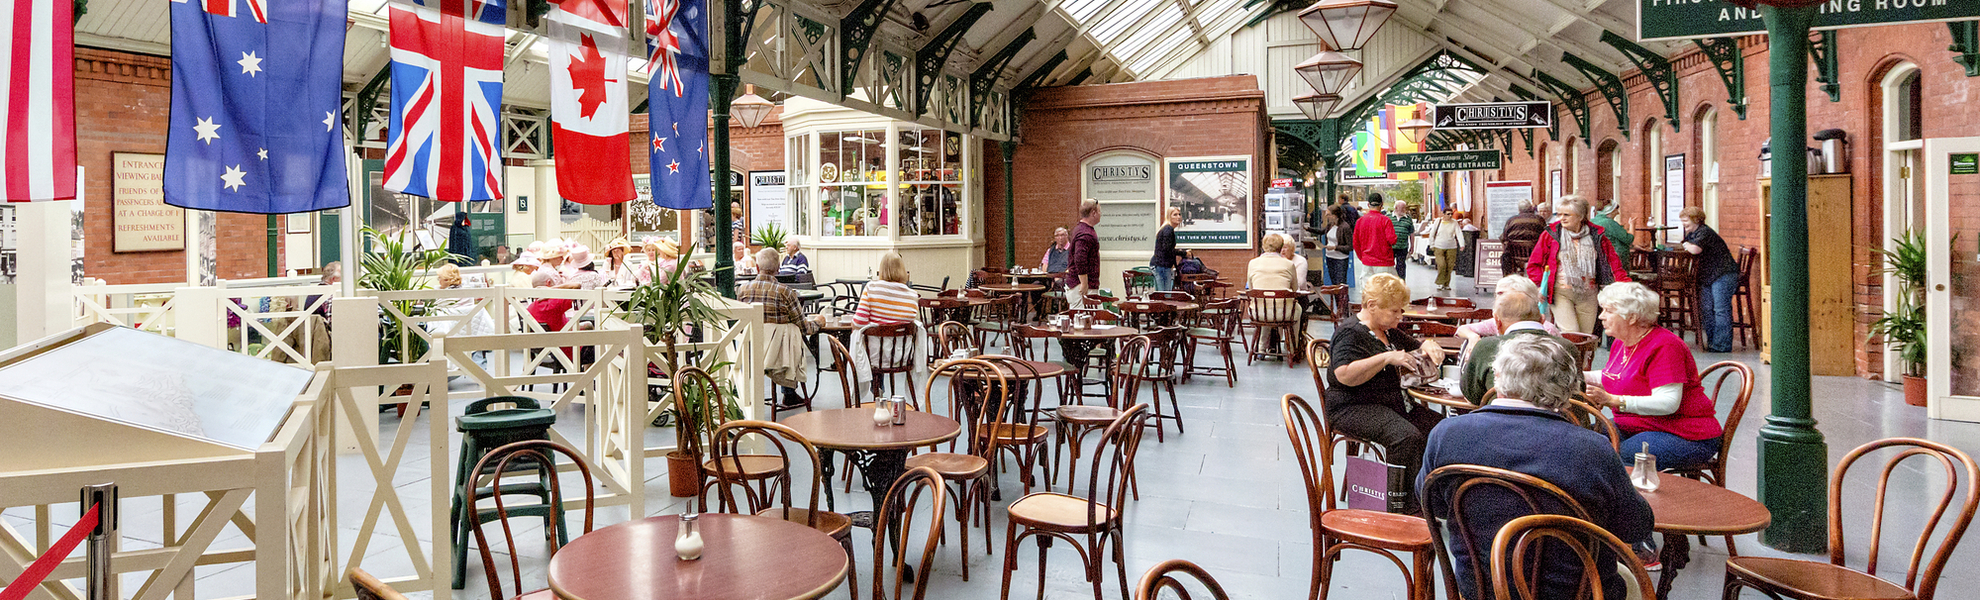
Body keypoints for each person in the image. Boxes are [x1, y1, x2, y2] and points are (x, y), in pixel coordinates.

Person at [1419, 334, 1654, 600]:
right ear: (1568, 388)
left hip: (1483, 590)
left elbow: (1434, 505)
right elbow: (1635, 527)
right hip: (1576, 593)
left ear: (1497, 378)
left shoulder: (1447, 435)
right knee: (1630, 581)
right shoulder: (1592, 449)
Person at [1325, 274, 1446, 512]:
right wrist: (1386, 358)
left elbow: (1416, 346)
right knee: (1406, 437)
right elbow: (1343, 374)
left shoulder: (1387, 331)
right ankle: (1402, 508)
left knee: (1443, 430)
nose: (1400, 317)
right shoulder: (1350, 333)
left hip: (1390, 404)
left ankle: (1431, 496)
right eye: (1394, 312)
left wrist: (1429, 344)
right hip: (1353, 407)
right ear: (1371, 305)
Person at [1583, 282, 1725, 470]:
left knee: (1620, 455)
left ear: (1631, 317)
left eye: (1608, 311)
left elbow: (1668, 402)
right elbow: (1618, 375)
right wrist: (1579, 376)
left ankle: (1628, 499)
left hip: (1685, 434)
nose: (1601, 316)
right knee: (1584, 442)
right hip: (1639, 426)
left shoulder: (1665, 346)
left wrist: (1613, 400)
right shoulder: (1622, 343)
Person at [1526, 196, 1631, 334]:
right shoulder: (1550, 235)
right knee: (1572, 333)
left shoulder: (1597, 235)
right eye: (1559, 214)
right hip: (1560, 293)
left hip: (1589, 292)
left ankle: (1582, 356)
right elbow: (1534, 263)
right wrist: (1539, 285)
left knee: (1586, 336)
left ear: (1581, 216)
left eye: (1567, 215)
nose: (1561, 218)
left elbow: (1614, 263)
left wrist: (1625, 285)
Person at [1459, 289, 1575, 406]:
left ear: (1498, 323)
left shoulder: (1486, 346)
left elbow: (1471, 394)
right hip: (1556, 421)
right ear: (1542, 320)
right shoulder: (1566, 347)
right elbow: (1577, 394)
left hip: (1499, 419)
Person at [738, 247, 820, 410]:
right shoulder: (785, 292)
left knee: (783, 332)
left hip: (749, 350)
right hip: (778, 357)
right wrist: (819, 322)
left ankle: (742, 393)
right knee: (790, 332)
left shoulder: (742, 290)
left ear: (758, 267)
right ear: (778, 269)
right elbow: (803, 327)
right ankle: (789, 393)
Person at [1680, 206, 1738, 353]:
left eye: (1686, 221)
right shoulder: (1692, 233)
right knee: (1706, 309)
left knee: (1720, 309)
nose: (1683, 224)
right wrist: (1687, 243)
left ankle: (1722, 345)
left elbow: (1695, 249)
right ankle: (1712, 342)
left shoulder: (1705, 232)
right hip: (1707, 275)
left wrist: (1686, 245)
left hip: (1722, 273)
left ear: (1696, 220)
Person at [1456, 275, 1563, 343]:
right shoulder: (1497, 322)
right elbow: (1462, 329)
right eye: (1497, 294)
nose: (1498, 299)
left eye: (1503, 295)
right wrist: (1473, 337)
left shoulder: (1547, 329)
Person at [852, 251, 919, 326]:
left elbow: (859, 322)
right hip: (903, 337)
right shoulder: (913, 296)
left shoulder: (871, 289)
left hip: (875, 337)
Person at [1353, 194, 1399, 288]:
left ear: (1368, 204)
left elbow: (1355, 242)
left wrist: (1363, 257)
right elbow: (1392, 240)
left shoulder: (1360, 221)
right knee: (1387, 293)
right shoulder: (1385, 220)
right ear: (1381, 205)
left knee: (1369, 293)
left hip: (1367, 263)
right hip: (1384, 262)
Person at [1065, 200, 1102, 309]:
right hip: (1082, 286)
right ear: (1093, 213)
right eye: (1099, 211)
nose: (1100, 214)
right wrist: (1084, 283)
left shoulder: (1080, 229)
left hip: (1080, 283)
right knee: (1085, 320)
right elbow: (1080, 259)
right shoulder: (1086, 234)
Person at [1423, 208, 1466, 291]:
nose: (1450, 216)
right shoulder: (1438, 222)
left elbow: (1459, 233)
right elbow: (1432, 234)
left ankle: (1446, 284)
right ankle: (1440, 282)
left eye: (1451, 214)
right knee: (1442, 264)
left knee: (1449, 266)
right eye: (1448, 214)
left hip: (1451, 246)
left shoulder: (1454, 223)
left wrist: (1462, 244)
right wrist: (1432, 244)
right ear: (1443, 214)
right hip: (1439, 246)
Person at [1501, 201, 1547, 277]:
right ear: (1531, 208)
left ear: (1519, 210)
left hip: (1515, 258)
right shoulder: (1539, 220)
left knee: (1505, 256)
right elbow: (1545, 237)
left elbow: (1504, 239)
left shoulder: (1511, 221)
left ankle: (1508, 278)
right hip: (1536, 255)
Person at [1589, 197, 1635, 269]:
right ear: (1610, 211)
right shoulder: (1609, 223)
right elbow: (1628, 239)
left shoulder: (1592, 222)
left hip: (1598, 258)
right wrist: (1632, 225)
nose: (1618, 212)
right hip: (1614, 260)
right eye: (1616, 210)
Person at [1151, 207, 1184, 291]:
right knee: (1164, 295)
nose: (1178, 217)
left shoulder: (1166, 229)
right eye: (1175, 215)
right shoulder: (1168, 229)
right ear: (1169, 216)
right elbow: (1167, 249)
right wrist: (1183, 253)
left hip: (1161, 265)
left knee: (1163, 294)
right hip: (1161, 266)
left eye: (1179, 214)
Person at [1321, 205, 1353, 288]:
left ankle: (1343, 300)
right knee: (1334, 283)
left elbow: (1349, 247)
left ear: (1334, 216)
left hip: (1340, 259)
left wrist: (1335, 247)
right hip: (1330, 257)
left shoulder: (1345, 227)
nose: (1326, 216)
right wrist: (1307, 229)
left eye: (1328, 214)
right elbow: (1322, 231)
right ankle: (1336, 300)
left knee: (1340, 283)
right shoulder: (1330, 225)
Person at [1389, 202, 1415, 282]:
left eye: (1404, 207)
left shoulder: (1408, 219)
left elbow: (1411, 233)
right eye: (1402, 208)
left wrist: (1412, 245)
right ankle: (1390, 282)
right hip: (1390, 247)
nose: (1404, 210)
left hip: (1403, 246)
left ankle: (1401, 283)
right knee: (1389, 266)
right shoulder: (1388, 217)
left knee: (1401, 265)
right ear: (1396, 208)